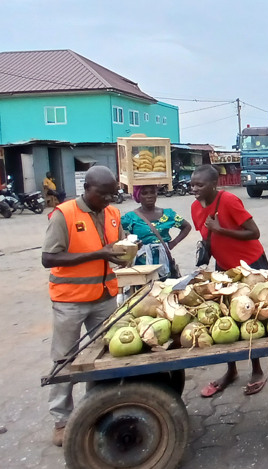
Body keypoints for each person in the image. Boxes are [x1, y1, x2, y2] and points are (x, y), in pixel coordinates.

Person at [41, 166, 128, 447]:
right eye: (103, 194)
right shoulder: (64, 214)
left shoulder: (113, 214)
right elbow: (48, 258)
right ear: (87, 189)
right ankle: (62, 420)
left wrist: (123, 257)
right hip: (71, 300)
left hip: (105, 296)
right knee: (65, 360)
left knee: (104, 357)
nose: (108, 200)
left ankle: (95, 410)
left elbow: (117, 247)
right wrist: (97, 254)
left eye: (112, 194)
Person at [190, 164, 268, 396]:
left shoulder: (229, 201)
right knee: (226, 316)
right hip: (223, 267)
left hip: (250, 265)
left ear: (214, 185)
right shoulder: (195, 207)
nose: (194, 189)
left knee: (252, 315)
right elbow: (205, 236)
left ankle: (256, 369)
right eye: (192, 184)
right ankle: (231, 370)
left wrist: (221, 229)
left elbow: (254, 233)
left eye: (200, 185)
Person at [121, 185, 192, 280]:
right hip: (141, 264)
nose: (149, 196)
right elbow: (120, 231)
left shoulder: (168, 214)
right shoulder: (130, 217)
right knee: (143, 291)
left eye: (152, 192)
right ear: (138, 196)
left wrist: (172, 244)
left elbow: (186, 227)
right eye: (144, 193)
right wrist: (130, 242)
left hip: (163, 261)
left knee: (164, 289)